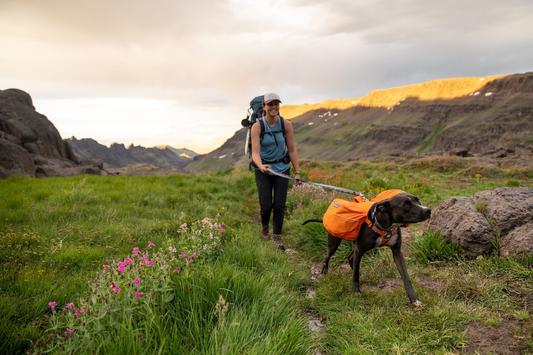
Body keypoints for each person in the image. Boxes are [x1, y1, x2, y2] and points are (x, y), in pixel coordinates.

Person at [251, 93, 301, 250]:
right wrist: (260, 166)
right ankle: (265, 227)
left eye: (276, 104)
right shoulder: (257, 126)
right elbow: (255, 153)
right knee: (266, 205)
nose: (274, 107)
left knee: (279, 205)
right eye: (270, 104)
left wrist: (298, 172)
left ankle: (277, 236)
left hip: (282, 169)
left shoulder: (285, 124)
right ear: (264, 107)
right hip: (264, 170)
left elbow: (292, 150)